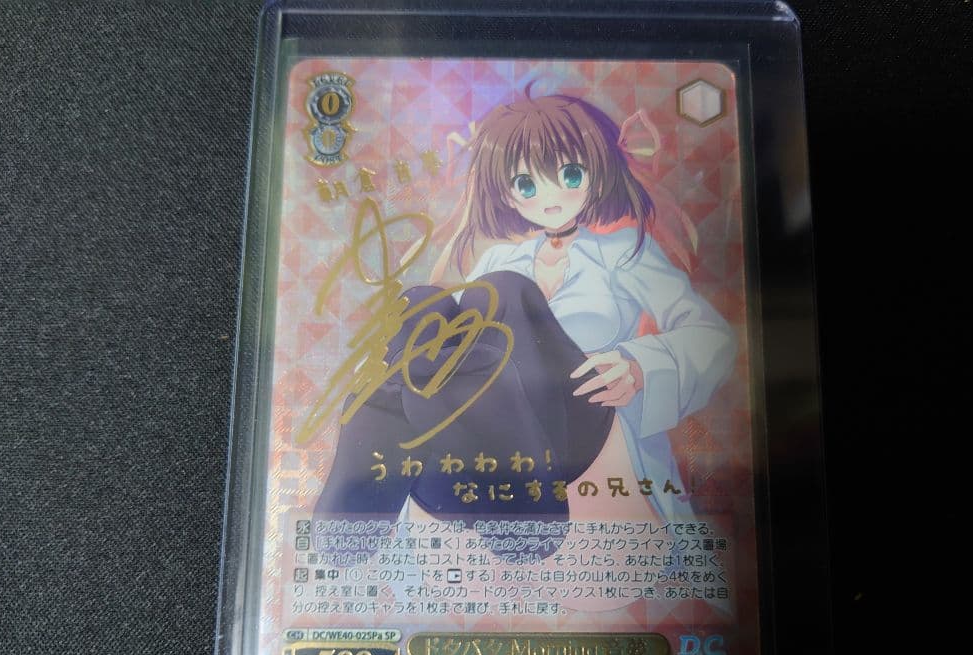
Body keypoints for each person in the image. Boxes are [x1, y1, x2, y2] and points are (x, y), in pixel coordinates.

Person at [314, 90, 735, 557]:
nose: (550, 197)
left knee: (505, 292)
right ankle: (353, 521)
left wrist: (638, 365)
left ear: (597, 173)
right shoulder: (501, 256)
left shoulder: (621, 254)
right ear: (506, 191)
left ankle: (526, 515)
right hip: (485, 450)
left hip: (580, 426)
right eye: (527, 183)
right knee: (421, 307)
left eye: (570, 175)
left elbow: (712, 338)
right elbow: (453, 350)